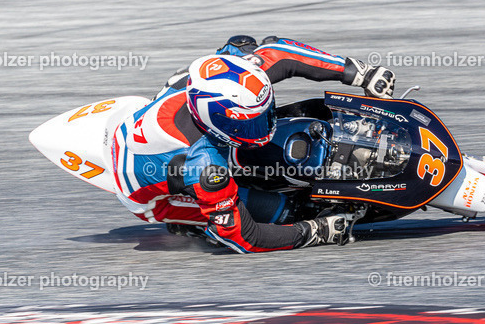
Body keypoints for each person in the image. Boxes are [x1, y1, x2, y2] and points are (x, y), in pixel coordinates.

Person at [110, 36, 395, 253]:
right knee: (286, 210)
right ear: (219, 120)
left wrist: (358, 72)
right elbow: (244, 238)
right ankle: (191, 223)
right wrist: (314, 231)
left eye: (262, 114)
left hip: (174, 108)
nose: (264, 127)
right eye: (250, 123)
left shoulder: (231, 81)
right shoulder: (204, 166)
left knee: (248, 48)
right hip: (154, 192)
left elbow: (282, 55)